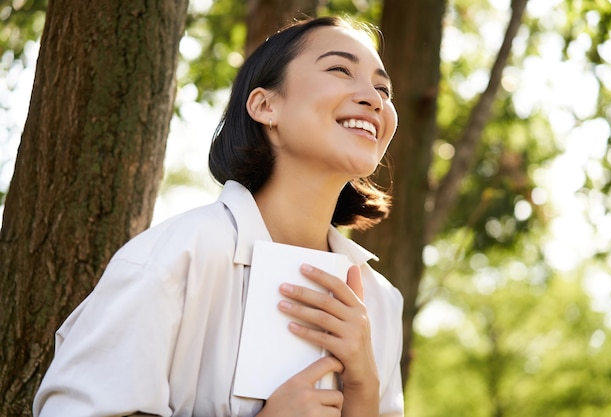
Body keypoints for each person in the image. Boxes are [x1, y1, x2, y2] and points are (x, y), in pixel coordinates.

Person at [33, 15, 404, 417]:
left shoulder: (379, 301)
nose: (373, 97)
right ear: (266, 106)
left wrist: (364, 389)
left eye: (383, 88)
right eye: (339, 69)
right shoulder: (176, 258)